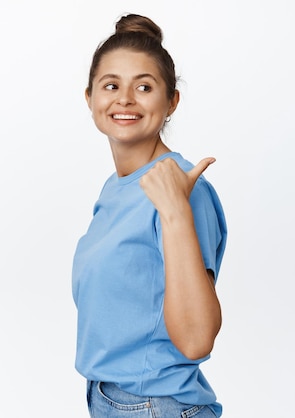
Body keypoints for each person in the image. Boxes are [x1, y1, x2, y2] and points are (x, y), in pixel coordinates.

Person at [71, 13, 227, 418]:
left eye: (144, 86)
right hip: (112, 400)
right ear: (89, 97)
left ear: (171, 101)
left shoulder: (183, 190)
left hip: (157, 407)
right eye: (111, 86)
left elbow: (195, 339)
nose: (124, 99)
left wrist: (175, 211)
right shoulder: (116, 188)